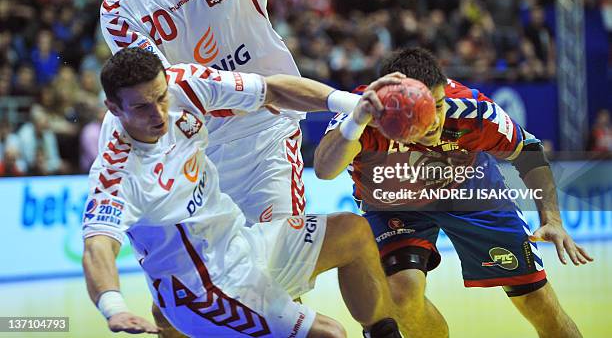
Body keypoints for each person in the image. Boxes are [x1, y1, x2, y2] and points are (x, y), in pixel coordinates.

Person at [82, 47, 404, 338]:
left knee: (353, 232)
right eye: (141, 107)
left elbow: (274, 89)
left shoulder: (184, 84)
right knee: (330, 335)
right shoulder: (116, 171)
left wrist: (353, 103)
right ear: (113, 107)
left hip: (243, 246)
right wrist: (114, 307)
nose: (159, 114)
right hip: (202, 292)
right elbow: (98, 246)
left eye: (161, 97)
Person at [314, 47, 592, 338]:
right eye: (421, 109)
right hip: (391, 204)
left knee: (535, 299)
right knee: (401, 295)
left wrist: (552, 219)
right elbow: (323, 169)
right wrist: (356, 122)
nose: (434, 119)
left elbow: (530, 152)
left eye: (438, 104)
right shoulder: (367, 112)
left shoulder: (471, 109)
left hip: (470, 189)